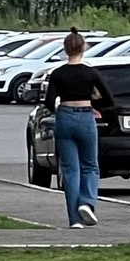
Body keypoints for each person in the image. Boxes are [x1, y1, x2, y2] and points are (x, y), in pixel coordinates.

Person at [43, 31, 112, 229]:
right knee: (90, 165)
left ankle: (74, 220)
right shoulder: (91, 73)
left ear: (65, 50)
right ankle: (87, 203)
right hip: (85, 117)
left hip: (64, 117)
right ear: (83, 48)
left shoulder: (57, 73)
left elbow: (49, 101)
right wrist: (93, 100)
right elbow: (109, 100)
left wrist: (61, 108)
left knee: (70, 169)